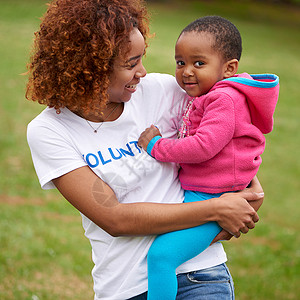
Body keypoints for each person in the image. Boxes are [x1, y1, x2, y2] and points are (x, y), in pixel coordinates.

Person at [25, 1, 264, 299]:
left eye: (141, 59)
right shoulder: (50, 130)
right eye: (130, 64)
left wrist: (248, 194)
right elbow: (115, 219)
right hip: (123, 287)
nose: (143, 72)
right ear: (90, 68)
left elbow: (227, 139)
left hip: (199, 274)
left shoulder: (163, 91)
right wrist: (216, 209)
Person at [138, 16, 279, 300]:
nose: (187, 71)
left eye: (198, 63)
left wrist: (156, 146)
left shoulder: (224, 99)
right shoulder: (212, 94)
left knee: (161, 257)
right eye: (180, 62)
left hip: (213, 197)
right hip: (206, 192)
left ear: (229, 68)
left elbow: (204, 146)